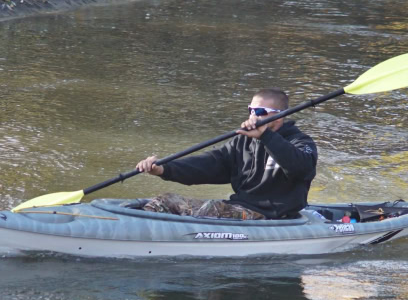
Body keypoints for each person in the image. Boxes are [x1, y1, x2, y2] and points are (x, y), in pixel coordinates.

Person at [135, 89, 318, 219]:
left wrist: (266, 136)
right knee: (165, 200)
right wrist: (164, 169)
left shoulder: (300, 142)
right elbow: (209, 164)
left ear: (280, 115)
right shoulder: (242, 141)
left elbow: (303, 169)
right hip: (239, 207)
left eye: (260, 112)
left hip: (269, 215)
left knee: (171, 203)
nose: (253, 116)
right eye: (251, 110)